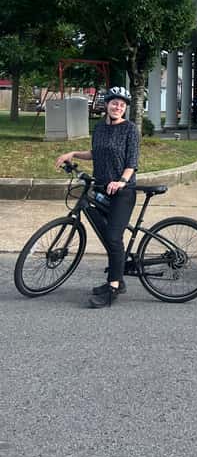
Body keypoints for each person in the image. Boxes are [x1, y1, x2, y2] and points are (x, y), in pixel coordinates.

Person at [55, 86, 139, 308]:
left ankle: (113, 287)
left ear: (125, 108)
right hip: (102, 187)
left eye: (122, 105)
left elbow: (132, 163)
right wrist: (72, 154)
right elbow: (96, 153)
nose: (117, 107)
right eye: (114, 103)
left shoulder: (130, 129)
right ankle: (118, 276)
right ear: (107, 104)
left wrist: (121, 181)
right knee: (107, 234)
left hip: (123, 191)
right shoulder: (100, 127)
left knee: (113, 237)